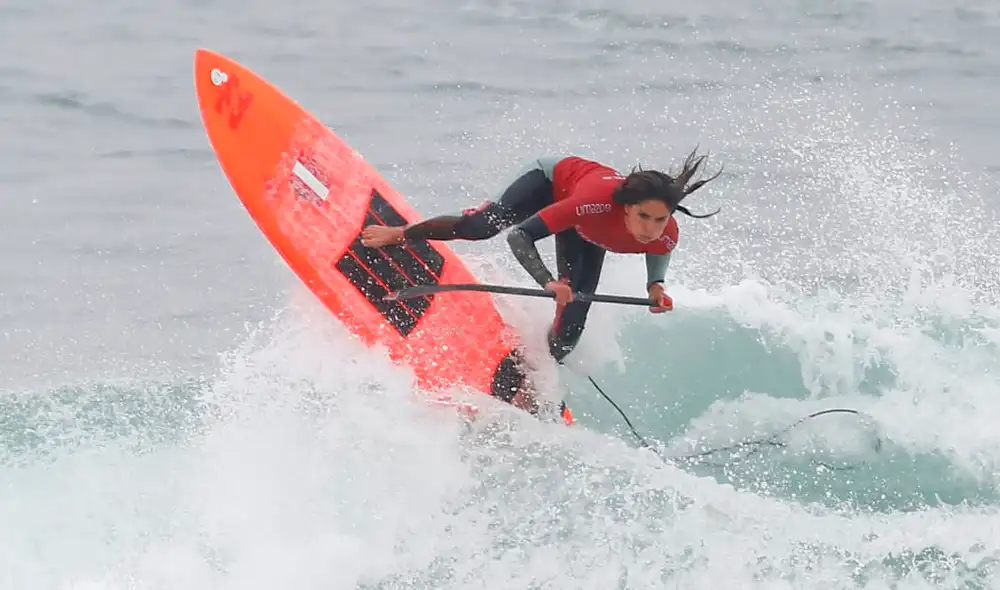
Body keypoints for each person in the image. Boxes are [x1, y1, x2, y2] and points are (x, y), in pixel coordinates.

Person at [361, 150, 722, 413]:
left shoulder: (665, 234)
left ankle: (530, 372)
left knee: (570, 330)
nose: (651, 228)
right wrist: (548, 282)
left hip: (586, 232)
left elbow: (658, 252)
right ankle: (401, 233)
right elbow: (520, 236)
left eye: (660, 219)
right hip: (551, 184)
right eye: (644, 217)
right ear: (628, 207)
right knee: (483, 225)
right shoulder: (594, 203)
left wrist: (655, 287)